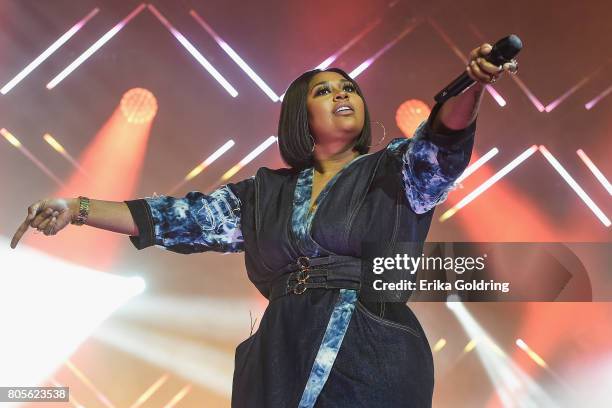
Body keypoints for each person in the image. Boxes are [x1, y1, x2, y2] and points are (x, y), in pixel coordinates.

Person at [10, 43, 517, 407]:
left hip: (371, 352)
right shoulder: (262, 194)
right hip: (280, 355)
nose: (344, 94)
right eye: (325, 90)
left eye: (350, 88)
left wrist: (472, 84)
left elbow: (444, 139)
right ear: (301, 115)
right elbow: (175, 219)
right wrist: (77, 207)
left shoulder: (397, 171)